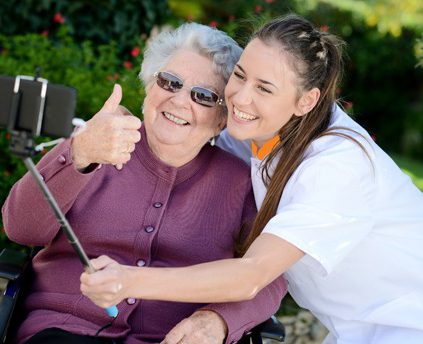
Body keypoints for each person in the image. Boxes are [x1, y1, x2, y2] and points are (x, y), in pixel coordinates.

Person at [80, 14, 423, 344]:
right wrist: (111, 135)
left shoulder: (337, 167)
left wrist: (130, 279)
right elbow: (182, 138)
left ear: (307, 101)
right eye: (240, 76)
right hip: (356, 326)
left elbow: (253, 273)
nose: (241, 98)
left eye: (264, 88)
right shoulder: (256, 131)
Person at [1, 23, 287, 344]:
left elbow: (269, 276)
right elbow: (20, 228)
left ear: (223, 118)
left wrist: (219, 320)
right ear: (149, 86)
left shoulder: (240, 183)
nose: (179, 101)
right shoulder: (98, 142)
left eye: (204, 96)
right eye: (170, 82)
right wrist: (79, 152)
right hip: (66, 329)